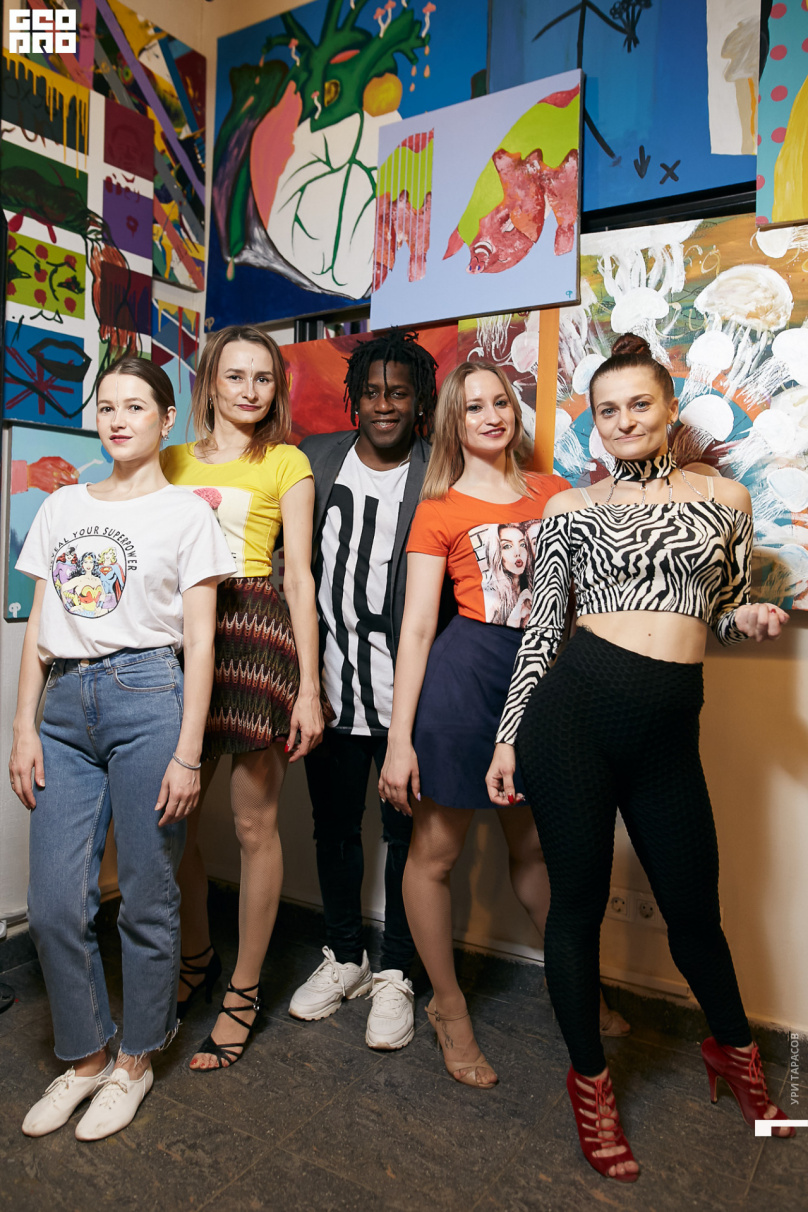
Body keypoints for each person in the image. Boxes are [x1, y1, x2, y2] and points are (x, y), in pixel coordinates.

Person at [486, 333, 794, 1181]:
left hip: (667, 738)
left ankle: (735, 1054)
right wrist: (509, 736)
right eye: (608, 410)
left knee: (695, 913)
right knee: (577, 908)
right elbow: (543, 629)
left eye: (639, 404)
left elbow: (722, 609)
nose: (624, 421)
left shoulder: (725, 497)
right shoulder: (569, 508)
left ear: (669, 409)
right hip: (570, 723)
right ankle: (590, 1083)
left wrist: (748, 620)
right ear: (596, 422)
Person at [9, 358, 234, 1140]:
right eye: (106, 406)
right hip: (64, 706)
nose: (118, 419)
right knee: (53, 904)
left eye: (136, 406)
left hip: (149, 699)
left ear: (166, 420)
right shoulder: (62, 505)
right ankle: (85, 1058)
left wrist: (189, 752)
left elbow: (201, 644)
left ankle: (135, 1061)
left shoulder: (188, 514)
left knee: (147, 894)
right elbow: (40, 628)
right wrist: (23, 727)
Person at [378, 361, 570, 1088]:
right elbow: (418, 627)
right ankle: (449, 1008)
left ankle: (576, 982)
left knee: (536, 848)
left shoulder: (557, 494)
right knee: (435, 855)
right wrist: (399, 742)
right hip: (462, 687)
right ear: (452, 425)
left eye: (500, 402)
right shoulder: (439, 508)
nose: (491, 416)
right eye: (473, 407)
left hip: (540, 685)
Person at [161, 324, 323, 1071]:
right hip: (177, 639)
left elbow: (300, 577)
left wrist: (310, 689)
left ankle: (244, 991)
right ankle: (196, 956)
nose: (250, 390)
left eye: (264, 378)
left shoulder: (287, 461)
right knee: (174, 824)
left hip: (256, 635)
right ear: (209, 382)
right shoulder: (170, 460)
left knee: (254, 825)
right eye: (236, 376)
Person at [288, 329, 439, 1050]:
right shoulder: (316, 458)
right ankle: (345, 955)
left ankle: (398, 971)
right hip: (328, 688)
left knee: (408, 837)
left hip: (409, 695)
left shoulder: (439, 470)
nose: (384, 405)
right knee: (335, 828)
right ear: (354, 399)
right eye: (372, 392)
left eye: (398, 393)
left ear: (419, 403)